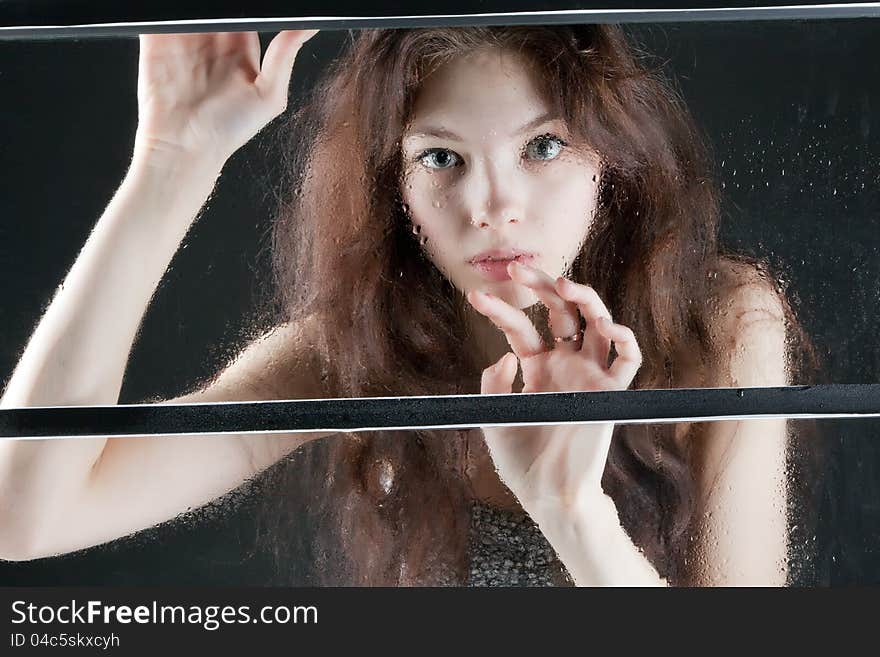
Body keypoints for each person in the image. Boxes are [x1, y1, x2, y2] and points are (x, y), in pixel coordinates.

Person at [0, 24, 818, 586]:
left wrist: (573, 511)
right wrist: (171, 162)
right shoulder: (357, 350)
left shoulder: (721, 322)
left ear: (610, 156)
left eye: (542, 146)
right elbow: (22, 516)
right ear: (396, 188)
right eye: (441, 157)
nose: (492, 204)